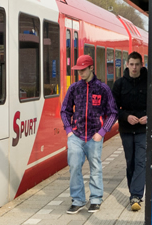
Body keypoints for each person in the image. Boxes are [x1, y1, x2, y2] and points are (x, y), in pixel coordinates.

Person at [61, 54, 118, 214]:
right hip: (76, 135)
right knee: (74, 167)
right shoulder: (74, 88)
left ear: (91, 68)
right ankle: (78, 200)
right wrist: (68, 130)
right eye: (78, 70)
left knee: (95, 167)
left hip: (94, 136)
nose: (80, 73)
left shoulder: (103, 88)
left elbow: (113, 113)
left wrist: (102, 132)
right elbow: (65, 110)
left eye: (83, 70)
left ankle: (95, 199)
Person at [112, 52, 152, 211]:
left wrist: (149, 117)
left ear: (142, 65)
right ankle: (133, 190)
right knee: (130, 162)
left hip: (142, 130)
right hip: (126, 130)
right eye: (131, 64)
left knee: (141, 161)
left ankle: (136, 195)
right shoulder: (119, 84)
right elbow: (113, 108)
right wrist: (126, 117)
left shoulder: (149, 83)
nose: (134, 67)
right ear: (127, 64)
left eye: (137, 64)